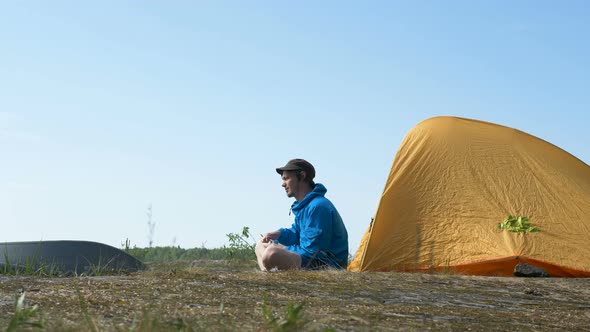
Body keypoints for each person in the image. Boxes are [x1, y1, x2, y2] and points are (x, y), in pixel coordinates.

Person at [256, 158, 349, 271]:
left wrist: (283, 248)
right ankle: (269, 275)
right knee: (260, 245)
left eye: (286, 178)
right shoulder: (305, 206)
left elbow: (313, 252)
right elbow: (298, 233)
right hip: (310, 258)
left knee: (271, 253)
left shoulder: (318, 207)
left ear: (302, 176)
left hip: (325, 265)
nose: (282, 184)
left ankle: (271, 273)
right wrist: (279, 234)